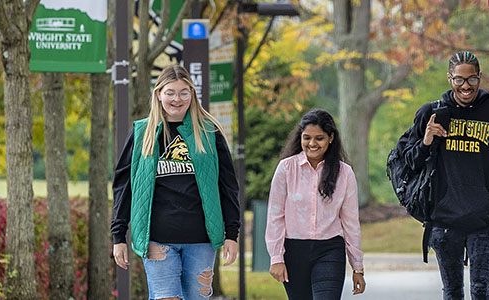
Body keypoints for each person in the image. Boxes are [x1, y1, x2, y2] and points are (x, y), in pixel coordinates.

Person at [397, 51, 489, 299]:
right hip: (444, 223)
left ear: (480, 77)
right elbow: (408, 163)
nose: (466, 86)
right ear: (449, 79)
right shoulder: (431, 113)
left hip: (483, 222)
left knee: (481, 291)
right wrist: (426, 141)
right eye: (459, 80)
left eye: (472, 79)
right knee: (452, 292)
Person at [111, 64, 241, 300]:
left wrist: (232, 233)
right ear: (159, 94)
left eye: (183, 92)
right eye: (170, 92)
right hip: (157, 237)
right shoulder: (143, 133)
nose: (176, 99)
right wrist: (118, 236)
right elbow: (123, 186)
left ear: (192, 94)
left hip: (201, 239)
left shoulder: (209, 133)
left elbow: (228, 186)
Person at [265, 109, 366, 299]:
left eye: (319, 138)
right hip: (293, 252)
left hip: (330, 250)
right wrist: (276, 258)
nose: (312, 143)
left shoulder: (345, 173)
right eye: (307, 138)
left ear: (331, 138)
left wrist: (357, 267)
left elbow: (351, 222)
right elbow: (275, 216)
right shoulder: (286, 169)